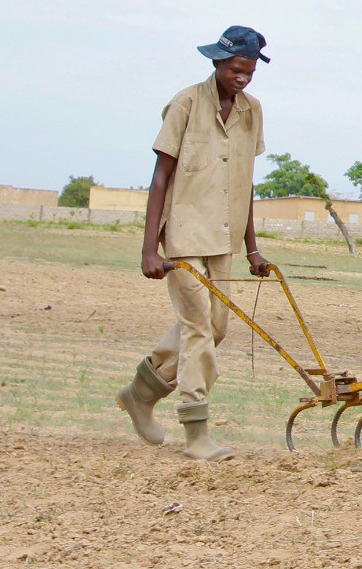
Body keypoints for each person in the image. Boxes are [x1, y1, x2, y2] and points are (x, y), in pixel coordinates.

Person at [115, 26, 274, 461]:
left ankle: (140, 393)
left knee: (214, 328)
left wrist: (253, 248)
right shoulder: (185, 103)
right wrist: (150, 249)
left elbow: (244, 183)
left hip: (224, 239)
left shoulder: (252, 111)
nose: (242, 78)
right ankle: (196, 431)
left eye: (250, 71)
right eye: (236, 70)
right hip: (184, 236)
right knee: (198, 327)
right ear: (217, 63)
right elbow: (160, 177)